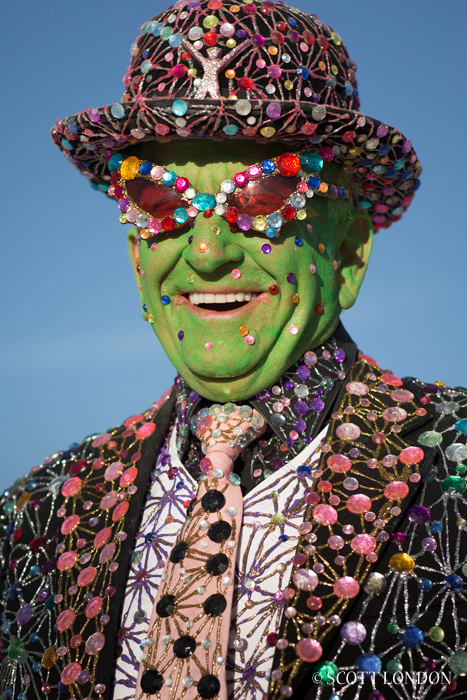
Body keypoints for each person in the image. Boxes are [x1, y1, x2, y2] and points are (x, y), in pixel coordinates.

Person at [1, 2, 466, 700]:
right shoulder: (36, 516)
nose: (209, 252)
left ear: (346, 251)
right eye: (157, 198)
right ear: (135, 256)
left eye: (268, 191)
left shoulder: (453, 464)